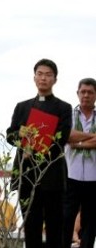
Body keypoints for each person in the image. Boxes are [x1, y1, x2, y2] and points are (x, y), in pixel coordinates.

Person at [7, 58, 73, 248]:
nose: (43, 78)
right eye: (40, 74)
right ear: (34, 78)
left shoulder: (64, 108)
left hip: (52, 175)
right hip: (27, 175)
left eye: (48, 75)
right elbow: (10, 135)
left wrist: (33, 148)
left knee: (55, 228)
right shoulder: (22, 107)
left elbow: (60, 140)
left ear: (55, 80)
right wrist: (20, 134)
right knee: (31, 227)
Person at [64, 78, 96, 248]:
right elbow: (67, 136)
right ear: (77, 93)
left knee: (91, 222)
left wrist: (79, 142)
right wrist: (91, 137)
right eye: (83, 92)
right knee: (67, 218)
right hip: (71, 176)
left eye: (90, 92)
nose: (86, 95)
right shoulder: (69, 114)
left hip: (94, 178)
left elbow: (74, 139)